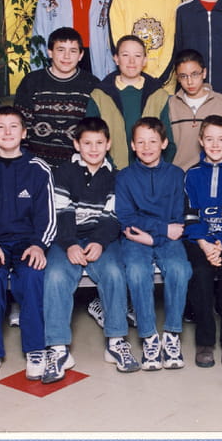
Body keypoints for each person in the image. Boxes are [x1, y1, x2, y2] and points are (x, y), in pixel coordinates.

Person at [41, 117, 139, 384]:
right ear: (77, 145)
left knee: (114, 273)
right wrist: (70, 243)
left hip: (101, 239)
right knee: (55, 276)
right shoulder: (63, 172)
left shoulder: (116, 176)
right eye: (87, 143)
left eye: (99, 143)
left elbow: (113, 215)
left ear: (108, 144)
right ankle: (58, 349)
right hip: (67, 238)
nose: (93, 149)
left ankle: (116, 341)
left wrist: (99, 242)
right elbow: (61, 211)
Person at [0, 106, 57, 383]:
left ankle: (35, 350)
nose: (7, 132)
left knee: (31, 276)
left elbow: (47, 216)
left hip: (27, 243)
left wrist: (39, 245)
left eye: (14, 126)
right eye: (1, 127)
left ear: (24, 133)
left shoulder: (38, 168)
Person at [115, 117, 192, 371]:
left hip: (166, 238)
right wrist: (158, 232)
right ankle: (149, 336)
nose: (146, 147)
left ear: (164, 143)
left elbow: (178, 219)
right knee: (137, 272)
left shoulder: (176, 175)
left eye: (153, 141)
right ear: (132, 145)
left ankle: (171, 334)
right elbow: (126, 217)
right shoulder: (124, 177)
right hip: (136, 238)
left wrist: (155, 237)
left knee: (180, 269)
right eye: (140, 142)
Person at [184, 115, 222, 368]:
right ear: (201, 141)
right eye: (209, 139)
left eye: (221, 139)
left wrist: (220, 244)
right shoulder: (191, 174)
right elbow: (190, 215)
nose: (216, 144)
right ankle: (205, 341)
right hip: (198, 240)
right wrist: (205, 243)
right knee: (200, 273)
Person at [14, 26, 98, 168]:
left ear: (81, 55)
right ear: (50, 52)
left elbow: (96, 131)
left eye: (73, 51)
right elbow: (19, 127)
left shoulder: (92, 85)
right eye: (60, 50)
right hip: (35, 165)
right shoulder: (32, 81)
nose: (66, 56)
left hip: (77, 167)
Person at [87, 35, 162, 170]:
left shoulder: (159, 95)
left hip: (151, 172)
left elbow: (169, 142)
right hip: (109, 171)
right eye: (125, 55)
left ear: (145, 60)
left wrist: (156, 170)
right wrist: (108, 167)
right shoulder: (99, 95)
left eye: (137, 56)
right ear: (116, 58)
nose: (131, 61)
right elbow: (89, 136)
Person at [158, 49, 222, 171]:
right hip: (179, 173)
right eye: (183, 76)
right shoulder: (170, 104)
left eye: (194, 74)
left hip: (215, 172)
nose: (189, 81)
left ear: (204, 73)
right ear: (177, 77)